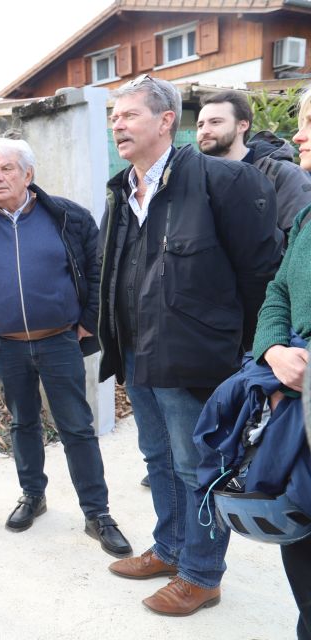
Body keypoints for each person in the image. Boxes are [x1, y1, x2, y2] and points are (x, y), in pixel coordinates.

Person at [99, 75, 282, 616]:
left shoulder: (223, 181)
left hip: (196, 355)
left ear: (164, 122)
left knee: (196, 464)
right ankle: (170, 546)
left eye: (129, 114)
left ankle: (202, 575)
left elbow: (259, 277)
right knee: (156, 457)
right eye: (114, 116)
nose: (117, 123)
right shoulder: (122, 189)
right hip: (139, 351)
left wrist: (245, 357)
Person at [0, 137, 131, 558]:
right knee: (22, 423)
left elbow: (98, 269)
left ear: (28, 174)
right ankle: (33, 495)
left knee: (77, 428)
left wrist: (88, 322)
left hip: (60, 341)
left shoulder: (66, 216)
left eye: (6, 169)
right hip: (7, 347)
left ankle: (97, 513)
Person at [249, 88, 311, 640]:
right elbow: (277, 292)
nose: (296, 135)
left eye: (310, 122)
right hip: (300, 404)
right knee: (302, 548)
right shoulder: (309, 216)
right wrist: (273, 351)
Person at [197, 89, 311, 236]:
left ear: (242, 125)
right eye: (200, 125)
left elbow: (299, 244)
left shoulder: (280, 175)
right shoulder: (196, 179)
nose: (205, 130)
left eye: (215, 122)